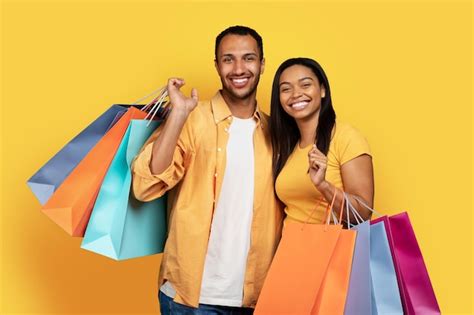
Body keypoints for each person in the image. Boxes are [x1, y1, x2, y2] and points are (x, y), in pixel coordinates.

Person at [131, 26, 283, 314]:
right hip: (190, 297)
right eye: (228, 59)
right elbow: (146, 185)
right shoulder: (191, 118)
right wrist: (177, 115)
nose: (239, 68)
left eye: (248, 58)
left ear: (262, 64)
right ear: (217, 65)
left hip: (258, 297)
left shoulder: (277, 132)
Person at [270, 57, 374, 225]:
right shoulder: (287, 147)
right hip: (290, 249)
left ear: (323, 90)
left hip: (331, 249)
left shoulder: (346, 137)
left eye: (305, 85)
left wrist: (323, 185)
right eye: (286, 89)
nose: (296, 94)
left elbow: (362, 214)